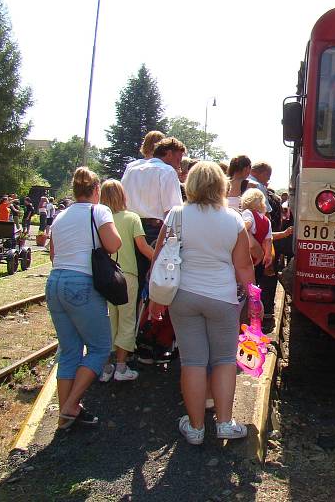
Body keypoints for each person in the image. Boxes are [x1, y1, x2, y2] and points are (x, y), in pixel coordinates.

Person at [148, 161, 254, 444]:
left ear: (191, 184)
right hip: (222, 298)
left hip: (183, 296)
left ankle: (195, 428)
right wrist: (255, 301)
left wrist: (154, 300)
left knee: (193, 361)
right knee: (224, 360)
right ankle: (224, 424)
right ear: (222, 185)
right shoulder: (233, 219)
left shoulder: (176, 216)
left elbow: (159, 258)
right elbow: (243, 267)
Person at [46, 167, 122, 429]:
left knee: (69, 351)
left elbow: (53, 254)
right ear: (96, 190)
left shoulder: (60, 216)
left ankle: (64, 419)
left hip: (55, 282)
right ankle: (72, 405)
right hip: (82, 283)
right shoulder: (98, 211)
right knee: (100, 347)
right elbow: (113, 245)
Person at [98, 180, 154, 382]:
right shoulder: (132, 218)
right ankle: (121, 367)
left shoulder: (99, 219)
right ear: (123, 196)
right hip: (127, 274)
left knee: (106, 321)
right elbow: (143, 247)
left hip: (103, 276)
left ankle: (105, 367)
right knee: (127, 319)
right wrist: (159, 258)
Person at [122, 137, 186, 300]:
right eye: (178, 159)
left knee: (130, 276)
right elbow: (174, 211)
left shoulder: (131, 168)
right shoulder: (167, 171)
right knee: (154, 278)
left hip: (128, 226)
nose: (179, 165)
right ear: (169, 153)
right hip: (153, 231)